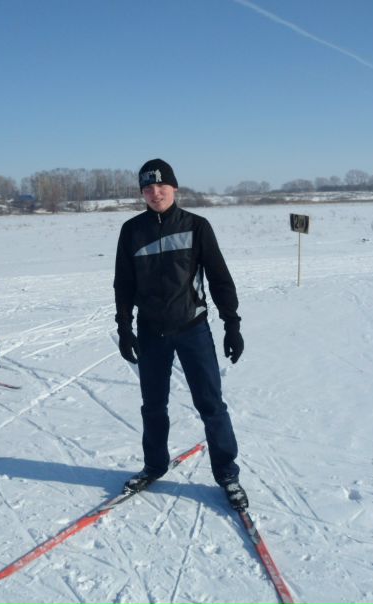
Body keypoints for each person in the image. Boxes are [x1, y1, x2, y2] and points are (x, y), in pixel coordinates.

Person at [113, 158, 248, 511]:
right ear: (142, 192)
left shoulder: (196, 226)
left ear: (174, 188)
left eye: (161, 186)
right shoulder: (132, 231)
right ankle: (154, 465)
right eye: (148, 188)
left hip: (192, 328)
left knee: (211, 404)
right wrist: (124, 327)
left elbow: (220, 279)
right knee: (153, 406)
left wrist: (231, 324)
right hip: (150, 332)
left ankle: (227, 474)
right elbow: (123, 284)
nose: (155, 193)